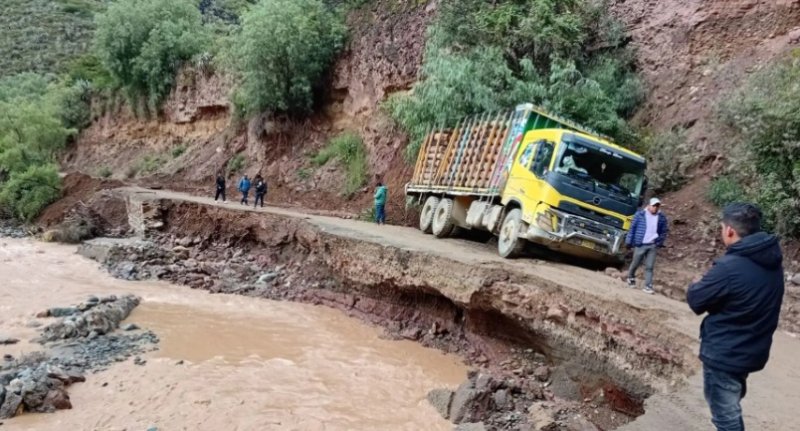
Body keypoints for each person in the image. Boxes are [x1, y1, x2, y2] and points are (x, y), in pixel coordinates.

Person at [687, 203, 783, 431]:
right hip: (750, 351)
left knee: (725, 416)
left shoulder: (729, 268)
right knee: (730, 405)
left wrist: (696, 284)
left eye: (721, 228)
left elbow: (696, 300)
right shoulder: (772, 264)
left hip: (725, 354)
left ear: (729, 230)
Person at [625, 197, 669, 294]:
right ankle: (630, 277)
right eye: (654, 206)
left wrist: (659, 242)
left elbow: (664, 231)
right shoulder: (640, 215)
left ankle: (648, 286)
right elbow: (632, 228)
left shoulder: (661, 217)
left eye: (657, 206)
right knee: (635, 263)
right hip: (640, 243)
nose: (655, 208)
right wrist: (629, 241)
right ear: (648, 205)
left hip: (652, 245)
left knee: (650, 266)